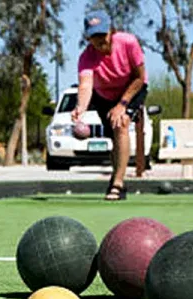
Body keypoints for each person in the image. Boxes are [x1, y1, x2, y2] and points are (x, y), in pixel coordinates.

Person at [71, 10, 149, 201]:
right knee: (114, 136)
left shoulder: (128, 42)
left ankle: (117, 184)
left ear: (111, 31)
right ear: (88, 38)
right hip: (104, 96)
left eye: (102, 34)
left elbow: (139, 78)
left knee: (121, 123)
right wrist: (80, 107)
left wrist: (123, 104)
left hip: (132, 89)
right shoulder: (86, 58)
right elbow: (86, 85)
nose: (99, 40)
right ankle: (117, 176)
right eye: (94, 36)